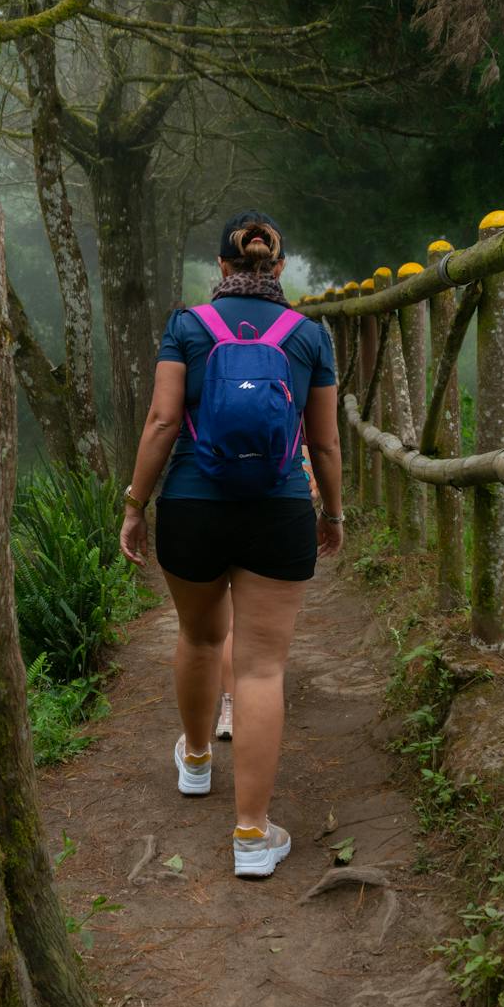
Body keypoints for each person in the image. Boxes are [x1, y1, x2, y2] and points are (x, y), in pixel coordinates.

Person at [119, 212, 345, 879]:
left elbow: (164, 420)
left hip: (192, 503)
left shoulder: (186, 327)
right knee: (260, 667)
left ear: (222, 268)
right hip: (278, 507)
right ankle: (251, 832)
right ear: (278, 268)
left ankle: (194, 759)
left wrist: (135, 505)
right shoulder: (308, 335)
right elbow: (325, 442)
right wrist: (331, 511)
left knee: (198, 636)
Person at [214, 444, 316, 741]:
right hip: (278, 516)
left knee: (227, 626)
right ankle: (255, 701)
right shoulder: (293, 413)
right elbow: (314, 474)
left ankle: (230, 706)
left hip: (211, 507)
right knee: (262, 641)